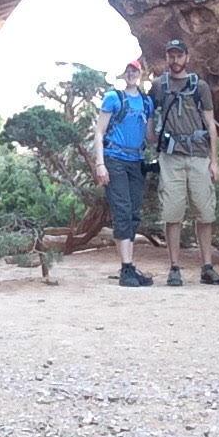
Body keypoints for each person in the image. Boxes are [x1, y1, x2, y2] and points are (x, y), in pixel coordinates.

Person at [151, 39, 219, 286]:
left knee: (204, 212)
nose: (175, 60)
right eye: (171, 55)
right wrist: (151, 142)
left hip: (198, 155)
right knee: (172, 213)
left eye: (179, 55)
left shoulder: (200, 86)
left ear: (187, 57)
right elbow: (148, 116)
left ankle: (207, 266)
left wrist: (214, 161)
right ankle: (174, 267)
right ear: (166, 57)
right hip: (171, 157)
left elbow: (210, 124)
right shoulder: (158, 86)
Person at [91, 58, 155, 286]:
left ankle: (130, 267)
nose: (131, 74)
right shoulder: (113, 98)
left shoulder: (147, 103)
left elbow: (150, 136)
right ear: (123, 74)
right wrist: (100, 164)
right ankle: (126, 268)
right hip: (115, 159)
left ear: (141, 75)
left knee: (134, 211)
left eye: (135, 71)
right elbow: (99, 132)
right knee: (122, 209)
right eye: (128, 70)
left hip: (136, 161)